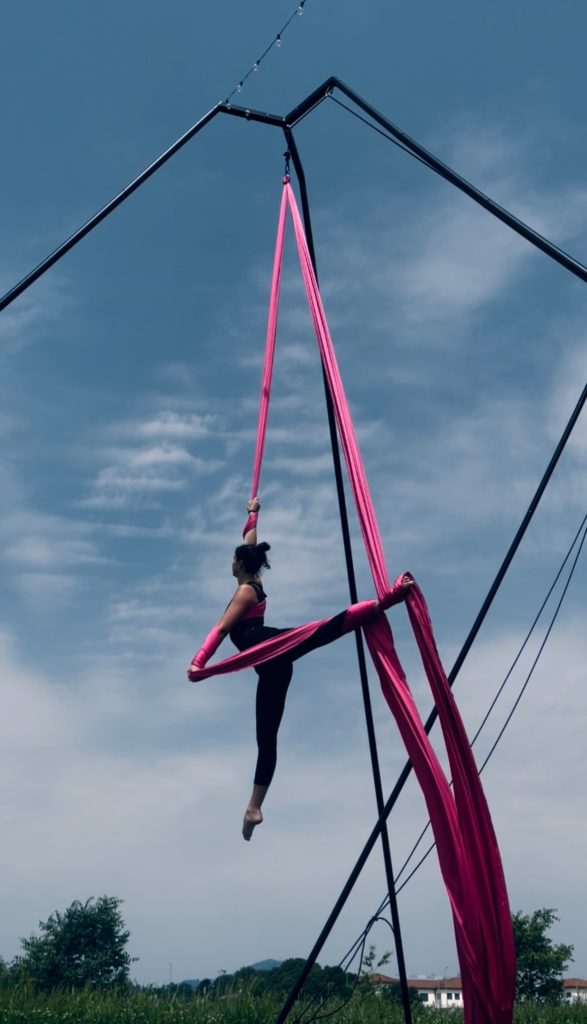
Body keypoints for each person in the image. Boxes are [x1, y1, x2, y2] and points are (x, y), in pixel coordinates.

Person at [188, 497, 413, 841]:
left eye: (232, 558)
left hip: (270, 647)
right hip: (272, 668)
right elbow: (250, 544)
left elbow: (220, 630)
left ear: (239, 564)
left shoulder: (245, 592)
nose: (230, 561)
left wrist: (199, 662)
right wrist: (252, 514)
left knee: (321, 632)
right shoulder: (252, 579)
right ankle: (253, 807)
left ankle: (387, 600)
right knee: (266, 737)